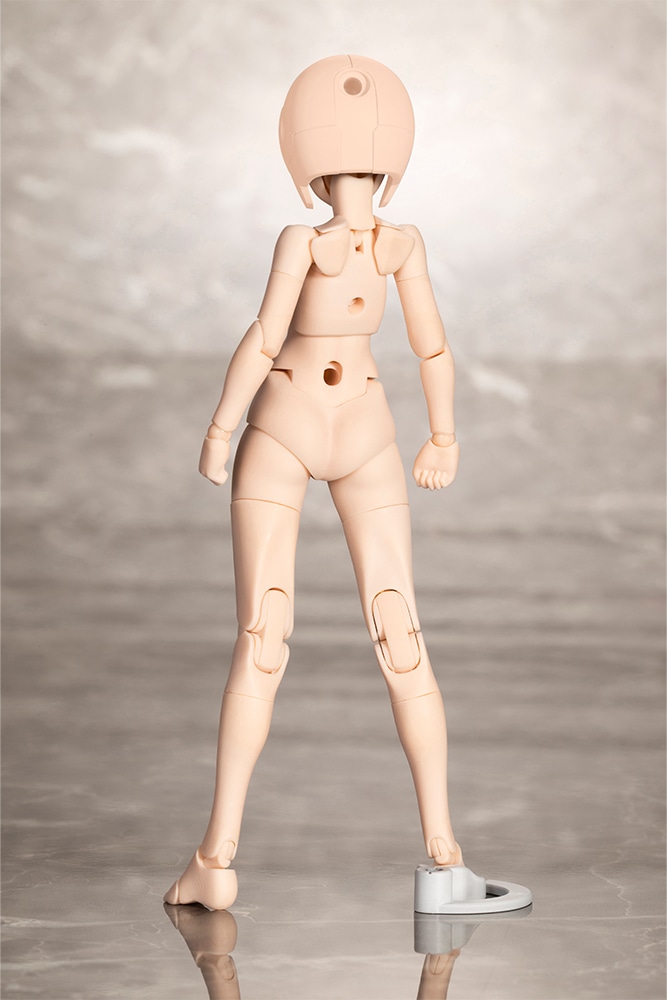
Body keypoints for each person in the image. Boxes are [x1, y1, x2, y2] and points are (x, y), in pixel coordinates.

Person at [165, 55, 462, 911]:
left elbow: (265, 338)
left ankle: (217, 860)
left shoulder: (308, 241)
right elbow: (432, 347)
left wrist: (221, 428)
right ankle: (443, 856)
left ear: (302, 156)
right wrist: (442, 434)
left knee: (271, 636)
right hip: (355, 425)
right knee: (396, 632)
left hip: (294, 422)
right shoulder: (399, 244)